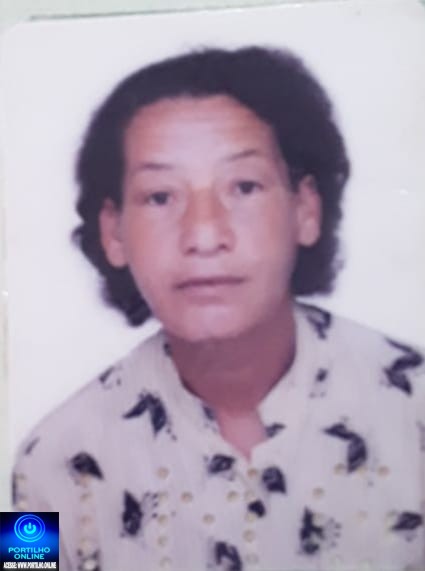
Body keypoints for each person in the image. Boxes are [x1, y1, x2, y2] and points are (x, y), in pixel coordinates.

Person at [13, 46, 425, 571]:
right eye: (160, 197)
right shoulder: (46, 466)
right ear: (113, 232)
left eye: (244, 187)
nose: (204, 234)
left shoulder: (413, 409)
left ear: (305, 208)